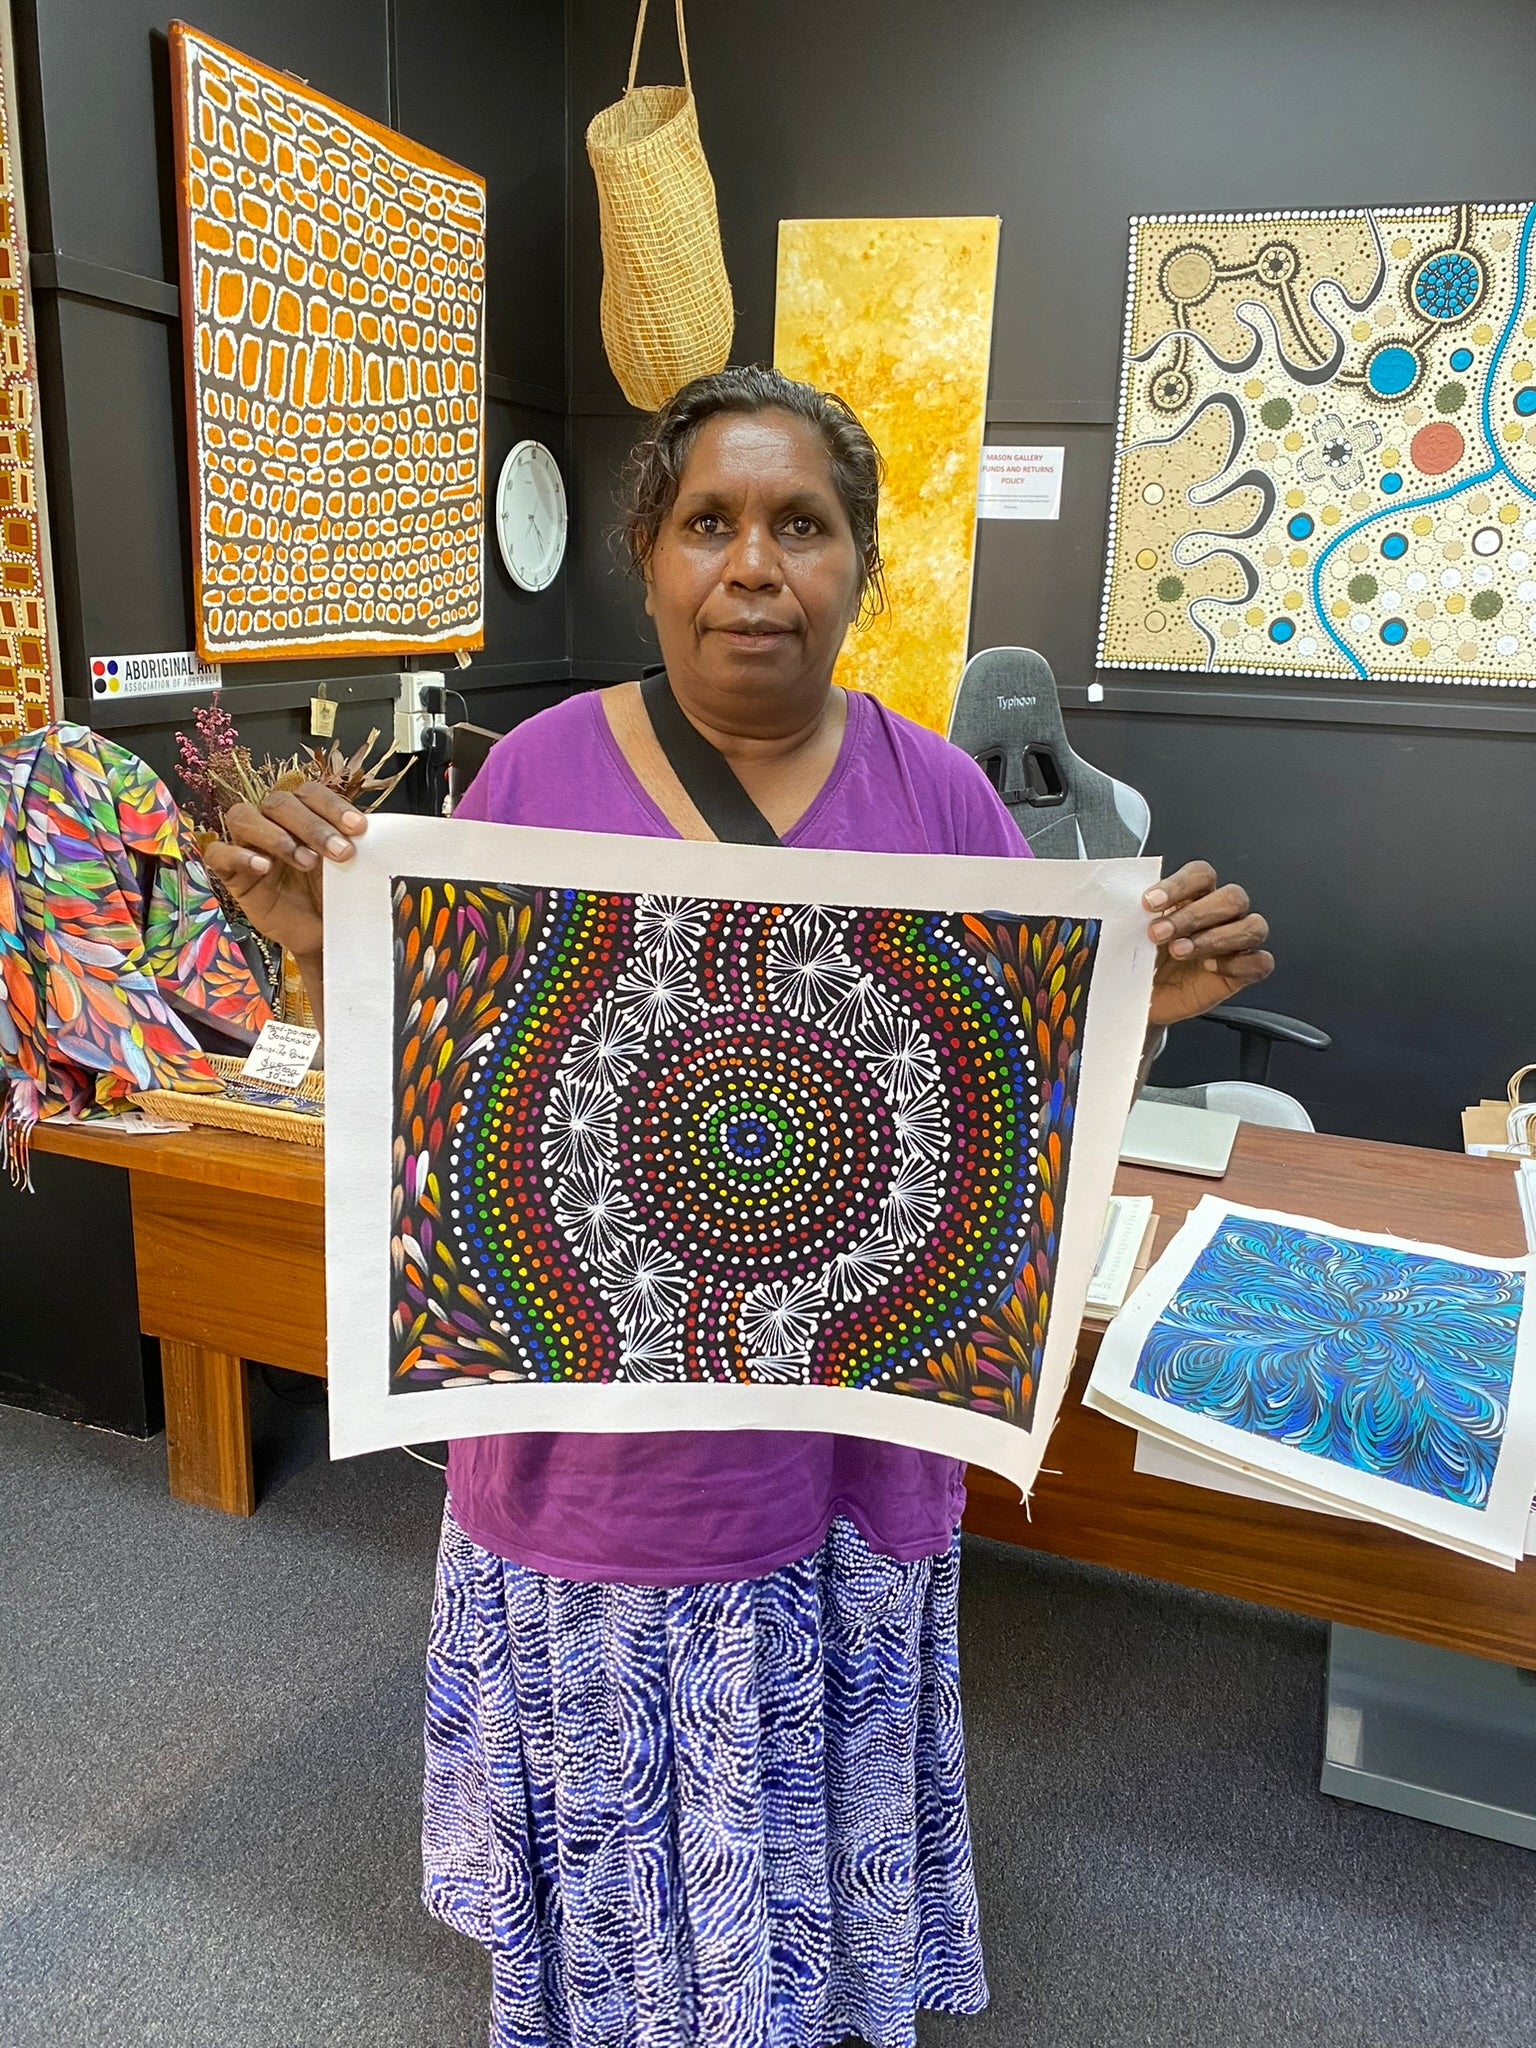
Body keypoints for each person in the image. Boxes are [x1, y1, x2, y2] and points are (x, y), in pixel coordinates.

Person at [207, 366, 1273, 2048]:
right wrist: (311, 946)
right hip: (601, 1450)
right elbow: (460, 1095)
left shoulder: (943, 803)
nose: (755, 565)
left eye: (804, 525)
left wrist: (1150, 1001)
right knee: (629, 1800)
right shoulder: (533, 782)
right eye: (711, 522)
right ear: (649, 559)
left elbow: (1001, 1087)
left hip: (843, 1441)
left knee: (805, 1761)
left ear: (863, 566)